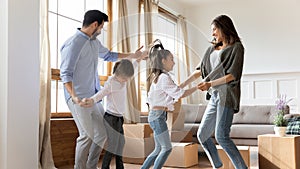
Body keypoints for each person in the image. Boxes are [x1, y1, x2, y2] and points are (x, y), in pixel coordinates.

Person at [60, 10, 146, 169]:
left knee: (101, 134)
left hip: (93, 97)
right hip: (77, 98)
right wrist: (74, 97)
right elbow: (65, 74)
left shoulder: (94, 43)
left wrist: (133, 55)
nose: (101, 30)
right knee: (86, 135)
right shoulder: (73, 44)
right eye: (101, 27)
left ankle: (91, 166)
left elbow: (109, 56)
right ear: (95, 25)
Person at [196, 15, 247, 169]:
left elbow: (232, 75)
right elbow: (200, 70)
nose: (212, 33)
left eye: (214, 29)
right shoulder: (212, 48)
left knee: (221, 136)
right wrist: (182, 84)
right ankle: (217, 165)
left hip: (227, 96)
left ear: (223, 28)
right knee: (202, 134)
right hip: (214, 96)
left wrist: (209, 83)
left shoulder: (237, 47)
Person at [141, 40, 199, 169]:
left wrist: (186, 84)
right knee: (167, 148)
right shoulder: (164, 78)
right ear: (163, 61)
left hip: (157, 115)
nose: (174, 62)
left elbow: (174, 91)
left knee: (158, 149)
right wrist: (197, 88)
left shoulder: (160, 77)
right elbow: (180, 94)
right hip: (157, 116)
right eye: (171, 59)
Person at [80, 59, 141, 169]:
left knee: (121, 143)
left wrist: (139, 59)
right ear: (117, 74)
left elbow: (134, 66)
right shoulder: (111, 83)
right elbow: (100, 94)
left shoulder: (124, 79)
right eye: (124, 78)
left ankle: (119, 167)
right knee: (112, 145)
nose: (126, 81)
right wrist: (91, 100)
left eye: (127, 78)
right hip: (111, 118)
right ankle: (105, 167)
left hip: (119, 118)